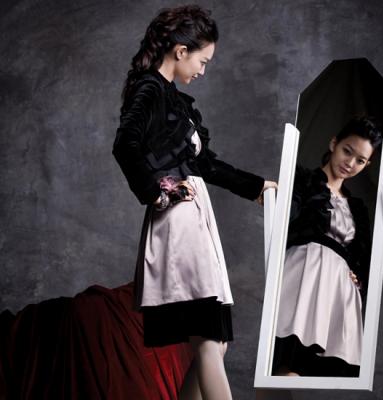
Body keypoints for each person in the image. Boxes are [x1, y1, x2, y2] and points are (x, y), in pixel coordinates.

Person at [111, 5, 277, 400]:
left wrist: (257, 187)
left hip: (196, 223)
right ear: (181, 50)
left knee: (215, 342)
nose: (204, 70)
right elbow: (125, 145)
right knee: (209, 339)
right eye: (203, 61)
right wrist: (158, 191)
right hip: (179, 224)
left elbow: (206, 165)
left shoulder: (176, 100)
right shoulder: (150, 88)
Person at [272, 116, 382, 377]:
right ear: (334, 144)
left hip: (338, 290)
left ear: (367, 164)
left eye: (360, 160)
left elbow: (363, 254)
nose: (350, 163)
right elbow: (288, 222)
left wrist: (357, 275)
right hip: (304, 274)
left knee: (295, 370)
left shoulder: (357, 207)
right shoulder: (303, 180)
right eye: (347, 151)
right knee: (284, 364)